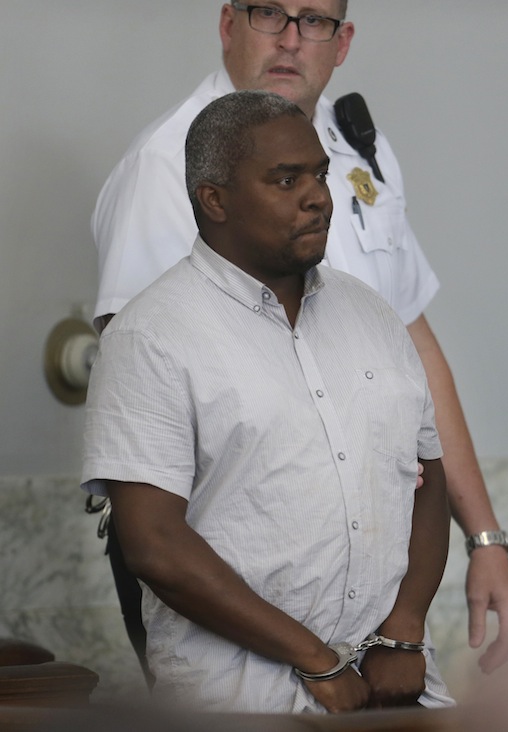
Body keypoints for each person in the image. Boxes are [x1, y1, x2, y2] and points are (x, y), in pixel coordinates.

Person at [91, 0, 508, 676]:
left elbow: (418, 355)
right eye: (270, 12)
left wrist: (486, 538)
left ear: (342, 40)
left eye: (315, 20)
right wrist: (313, 657)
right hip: (237, 592)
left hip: (369, 585)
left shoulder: (356, 156)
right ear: (230, 24)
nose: (291, 39)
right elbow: (140, 392)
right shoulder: (166, 166)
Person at [82, 90, 453, 713]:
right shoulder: (150, 336)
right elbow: (153, 544)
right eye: (286, 179)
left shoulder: (373, 316)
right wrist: (315, 658)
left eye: (319, 175)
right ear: (215, 199)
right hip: (239, 696)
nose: (318, 197)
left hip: (394, 682)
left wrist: (405, 630)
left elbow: (426, 479)